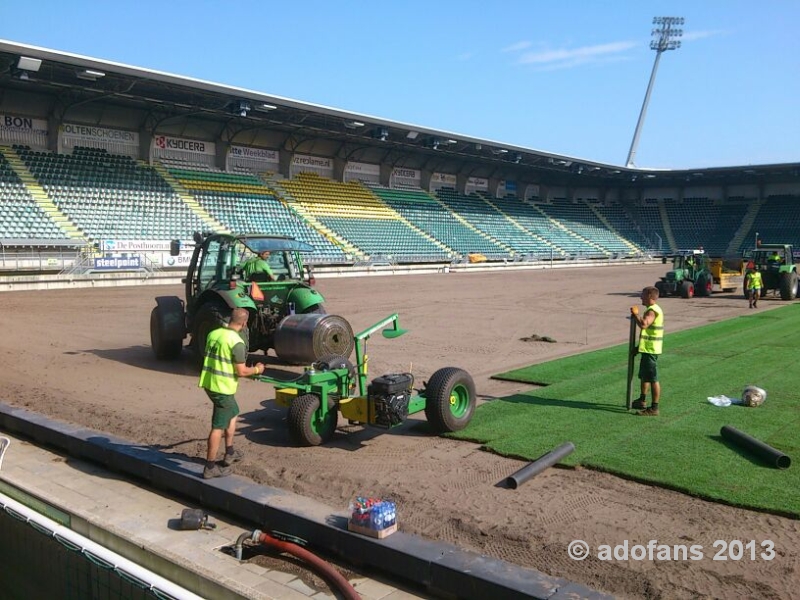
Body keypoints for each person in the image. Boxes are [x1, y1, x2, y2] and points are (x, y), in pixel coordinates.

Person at [198, 307, 264, 479]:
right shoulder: (236, 342)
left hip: (209, 382)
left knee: (233, 412)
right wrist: (257, 369)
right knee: (217, 427)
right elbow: (241, 371)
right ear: (244, 323)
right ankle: (210, 467)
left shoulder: (214, 334)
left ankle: (230, 452)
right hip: (222, 388)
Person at [630, 286, 664, 416]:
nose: (640, 297)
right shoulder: (653, 310)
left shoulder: (652, 311)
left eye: (643, 295)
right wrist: (639, 348)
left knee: (653, 378)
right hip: (647, 349)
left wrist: (636, 314)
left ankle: (654, 408)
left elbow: (644, 325)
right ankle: (642, 400)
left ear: (650, 296)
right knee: (645, 376)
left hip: (651, 351)